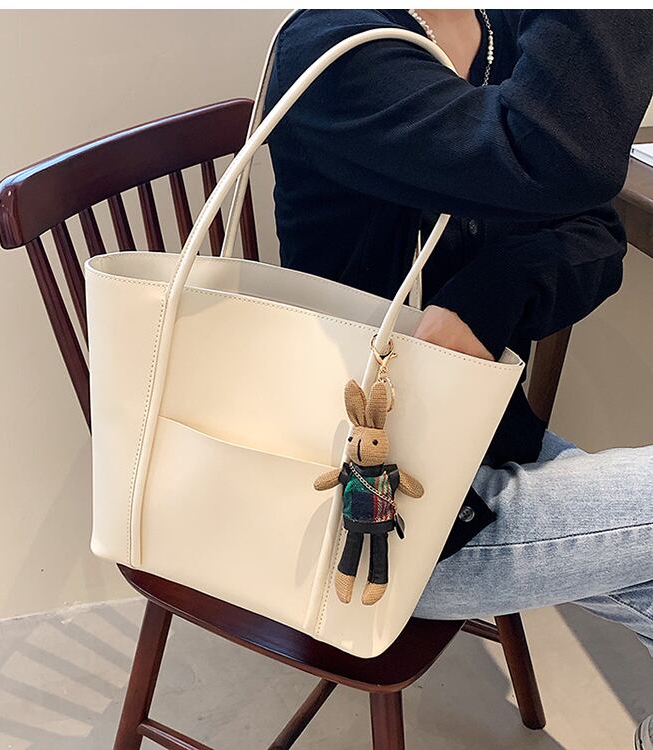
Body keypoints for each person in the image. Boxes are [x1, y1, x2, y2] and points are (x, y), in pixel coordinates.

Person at [265, 9, 653, 747]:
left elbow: (596, 231)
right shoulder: (337, 48)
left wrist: (484, 300)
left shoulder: (504, 31)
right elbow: (548, 160)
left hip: (480, 437)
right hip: (368, 511)